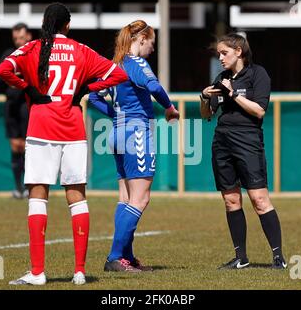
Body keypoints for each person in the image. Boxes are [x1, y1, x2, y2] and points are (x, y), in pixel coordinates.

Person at [0, 2, 128, 285]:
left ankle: (37, 273)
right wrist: (85, 88)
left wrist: (28, 88)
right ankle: (79, 272)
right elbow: (119, 74)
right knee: (77, 197)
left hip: (41, 125)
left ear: (45, 22)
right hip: (72, 127)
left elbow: (3, 69)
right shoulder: (81, 50)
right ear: (67, 25)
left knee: (38, 196)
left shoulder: (33, 48)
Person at [81, 20, 179, 272]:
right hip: (136, 133)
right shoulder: (135, 63)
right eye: (151, 43)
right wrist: (169, 108)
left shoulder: (112, 66)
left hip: (116, 132)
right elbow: (154, 87)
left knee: (125, 198)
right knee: (140, 198)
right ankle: (115, 257)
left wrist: (114, 114)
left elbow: (92, 97)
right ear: (142, 39)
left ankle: (126, 256)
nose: (152, 49)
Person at [200, 33, 287, 270]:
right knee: (230, 200)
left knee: (259, 199)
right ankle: (241, 258)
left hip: (248, 141)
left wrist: (232, 94)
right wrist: (204, 98)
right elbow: (207, 116)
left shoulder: (258, 74)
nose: (220, 57)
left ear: (239, 51)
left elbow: (259, 111)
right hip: (222, 142)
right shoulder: (221, 78)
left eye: (224, 53)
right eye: (218, 53)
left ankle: (278, 257)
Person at [0, 23, 32, 199]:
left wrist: (19, 78)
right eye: (16, 38)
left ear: (28, 36)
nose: (18, 41)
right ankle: (18, 188)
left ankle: (29, 186)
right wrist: (12, 80)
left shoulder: (33, 53)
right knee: (15, 146)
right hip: (11, 106)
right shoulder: (8, 55)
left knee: (28, 147)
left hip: (27, 106)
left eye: (21, 37)